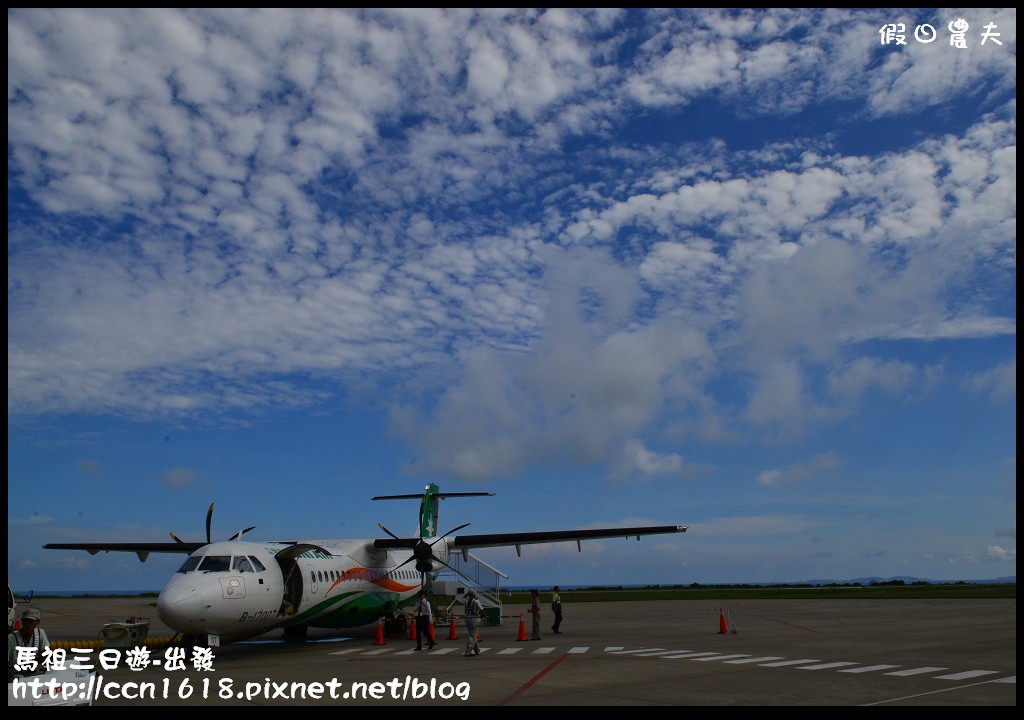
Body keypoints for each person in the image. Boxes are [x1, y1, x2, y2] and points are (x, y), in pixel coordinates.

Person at [8, 608, 49, 679]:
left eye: (31, 621)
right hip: (13, 672)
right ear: (22, 622)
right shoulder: (11, 638)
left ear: (37, 622)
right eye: (25, 621)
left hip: (32, 670)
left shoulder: (40, 633)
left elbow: (45, 652)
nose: (27, 624)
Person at [463, 589, 483, 656]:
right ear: (474, 594)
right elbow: (481, 610)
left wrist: (467, 593)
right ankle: (467, 652)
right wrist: (486, 616)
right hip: (474, 621)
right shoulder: (476, 601)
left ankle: (477, 650)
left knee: (473, 635)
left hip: (467, 620)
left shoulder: (465, 601)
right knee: (472, 637)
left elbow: (463, 597)